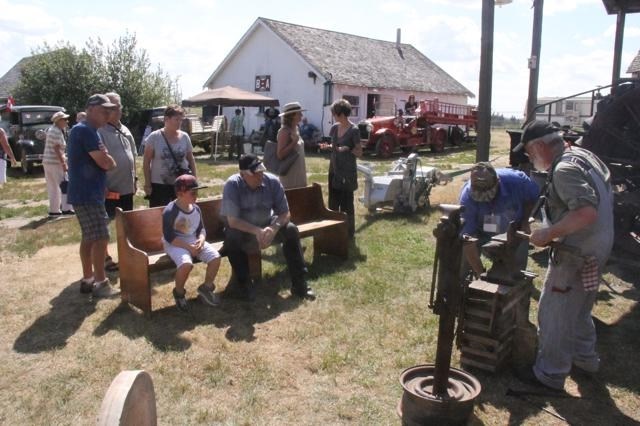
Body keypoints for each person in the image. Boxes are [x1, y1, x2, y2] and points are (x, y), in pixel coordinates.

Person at [513, 120, 614, 391]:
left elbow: (586, 212)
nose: (530, 158)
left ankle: (549, 374)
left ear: (541, 146)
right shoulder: (583, 156)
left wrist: (548, 234)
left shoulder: (565, 169)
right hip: (598, 245)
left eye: (530, 152)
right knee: (580, 308)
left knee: (554, 311)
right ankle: (585, 360)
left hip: (577, 252)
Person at [220, 153, 315, 301]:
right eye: (255, 173)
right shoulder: (232, 185)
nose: (260, 176)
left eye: (261, 171)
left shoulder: (272, 181)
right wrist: (257, 231)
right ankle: (244, 285)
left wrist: (274, 228)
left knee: (290, 230)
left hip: (267, 226)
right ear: (243, 174)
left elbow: (285, 213)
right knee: (232, 237)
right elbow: (233, 221)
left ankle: (300, 284)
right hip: (244, 229)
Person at [67, 94, 117, 297]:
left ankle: (88, 279)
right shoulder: (86, 131)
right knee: (100, 236)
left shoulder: (86, 131)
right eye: (104, 110)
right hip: (87, 194)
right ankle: (101, 282)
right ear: (91, 109)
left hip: (85, 192)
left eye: (110, 110)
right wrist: (108, 160)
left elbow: (102, 161)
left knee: (89, 237)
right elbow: (106, 163)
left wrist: (106, 160)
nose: (108, 114)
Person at [459, 162, 539, 277]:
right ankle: (462, 287)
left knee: (516, 266)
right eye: (480, 196)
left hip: (514, 228)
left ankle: (515, 281)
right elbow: (468, 239)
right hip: (481, 227)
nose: (485, 199)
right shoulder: (466, 199)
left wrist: (525, 221)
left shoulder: (516, 181)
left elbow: (531, 197)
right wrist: (481, 273)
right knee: (463, 257)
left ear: (498, 182)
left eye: (487, 194)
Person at [162, 174, 222, 311]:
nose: (196, 195)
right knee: (186, 265)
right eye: (192, 192)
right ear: (180, 193)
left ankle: (206, 288)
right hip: (175, 243)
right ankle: (179, 293)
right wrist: (188, 247)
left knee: (215, 258)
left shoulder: (195, 208)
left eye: (197, 192)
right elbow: (169, 236)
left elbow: (201, 229)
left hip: (193, 240)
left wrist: (201, 240)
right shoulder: (170, 211)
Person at [319, 99, 362, 238]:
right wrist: (329, 147)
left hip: (347, 172)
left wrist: (348, 148)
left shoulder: (354, 130)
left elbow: (359, 152)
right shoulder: (334, 128)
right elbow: (336, 147)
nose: (333, 116)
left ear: (342, 114)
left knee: (346, 204)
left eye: (334, 114)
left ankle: (348, 233)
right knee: (333, 202)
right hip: (334, 170)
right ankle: (334, 231)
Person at [143, 105, 197, 207]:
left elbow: (191, 160)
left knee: (181, 213)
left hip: (182, 185)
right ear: (166, 119)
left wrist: (194, 181)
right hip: (159, 186)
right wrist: (147, 184)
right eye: (176, 119)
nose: (179, 122)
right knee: (160, 215)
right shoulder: (154, 137)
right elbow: (146, 162)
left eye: (181, 120)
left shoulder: (185, 137)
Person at [98, 92, 137, 218]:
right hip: (110, 190)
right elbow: (96, 163)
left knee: (128, 222)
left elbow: (133, 157)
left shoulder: (125, 129)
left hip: (127, 188)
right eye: (113, 107)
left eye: (119, 106)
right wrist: (102, 186)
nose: (117, 110)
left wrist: (134, 180)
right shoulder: (99, 131)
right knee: (112, 224)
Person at [43, 111, 74, 218]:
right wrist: (63, 163)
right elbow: (57, 148)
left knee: (52, 187)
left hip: (48, 162)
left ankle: (54, 210)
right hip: (55, 163)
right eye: (64, 119)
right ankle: (67, 208)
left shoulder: (52, 130)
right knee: (64, 184)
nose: (67, 121)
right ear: (58, 121)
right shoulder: (56, 132)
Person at [276, 102, 307, 189]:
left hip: (299, 172)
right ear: (292, 115)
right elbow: (280, 155)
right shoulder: (284, 131)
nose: (302, 115)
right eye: (299, 113)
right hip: (290, 175)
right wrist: (294, 142)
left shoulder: (296, 129)